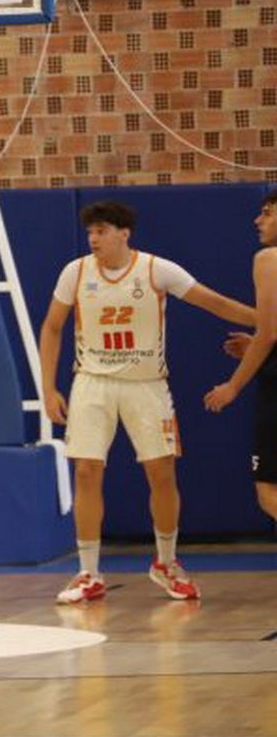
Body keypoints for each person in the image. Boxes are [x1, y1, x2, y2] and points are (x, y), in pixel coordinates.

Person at [39, 200, 256, 605]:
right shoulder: (76, 272)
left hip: (146, 384)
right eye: (90, 232)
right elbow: (52, 327)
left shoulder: (157, 270)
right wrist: (48, 388)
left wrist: (265, 321)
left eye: (101, 231)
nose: (93, 239)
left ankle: (166, 563)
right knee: (86, 471)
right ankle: (88, 572)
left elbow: (214, 302)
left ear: (124, 233)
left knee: (162, 472)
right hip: (92, 381)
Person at [204, 190, 277, 528]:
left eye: (267, 212)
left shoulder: (269, 258)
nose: (258, 220)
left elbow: (268, 332)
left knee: (268, 491)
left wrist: (232, 386)